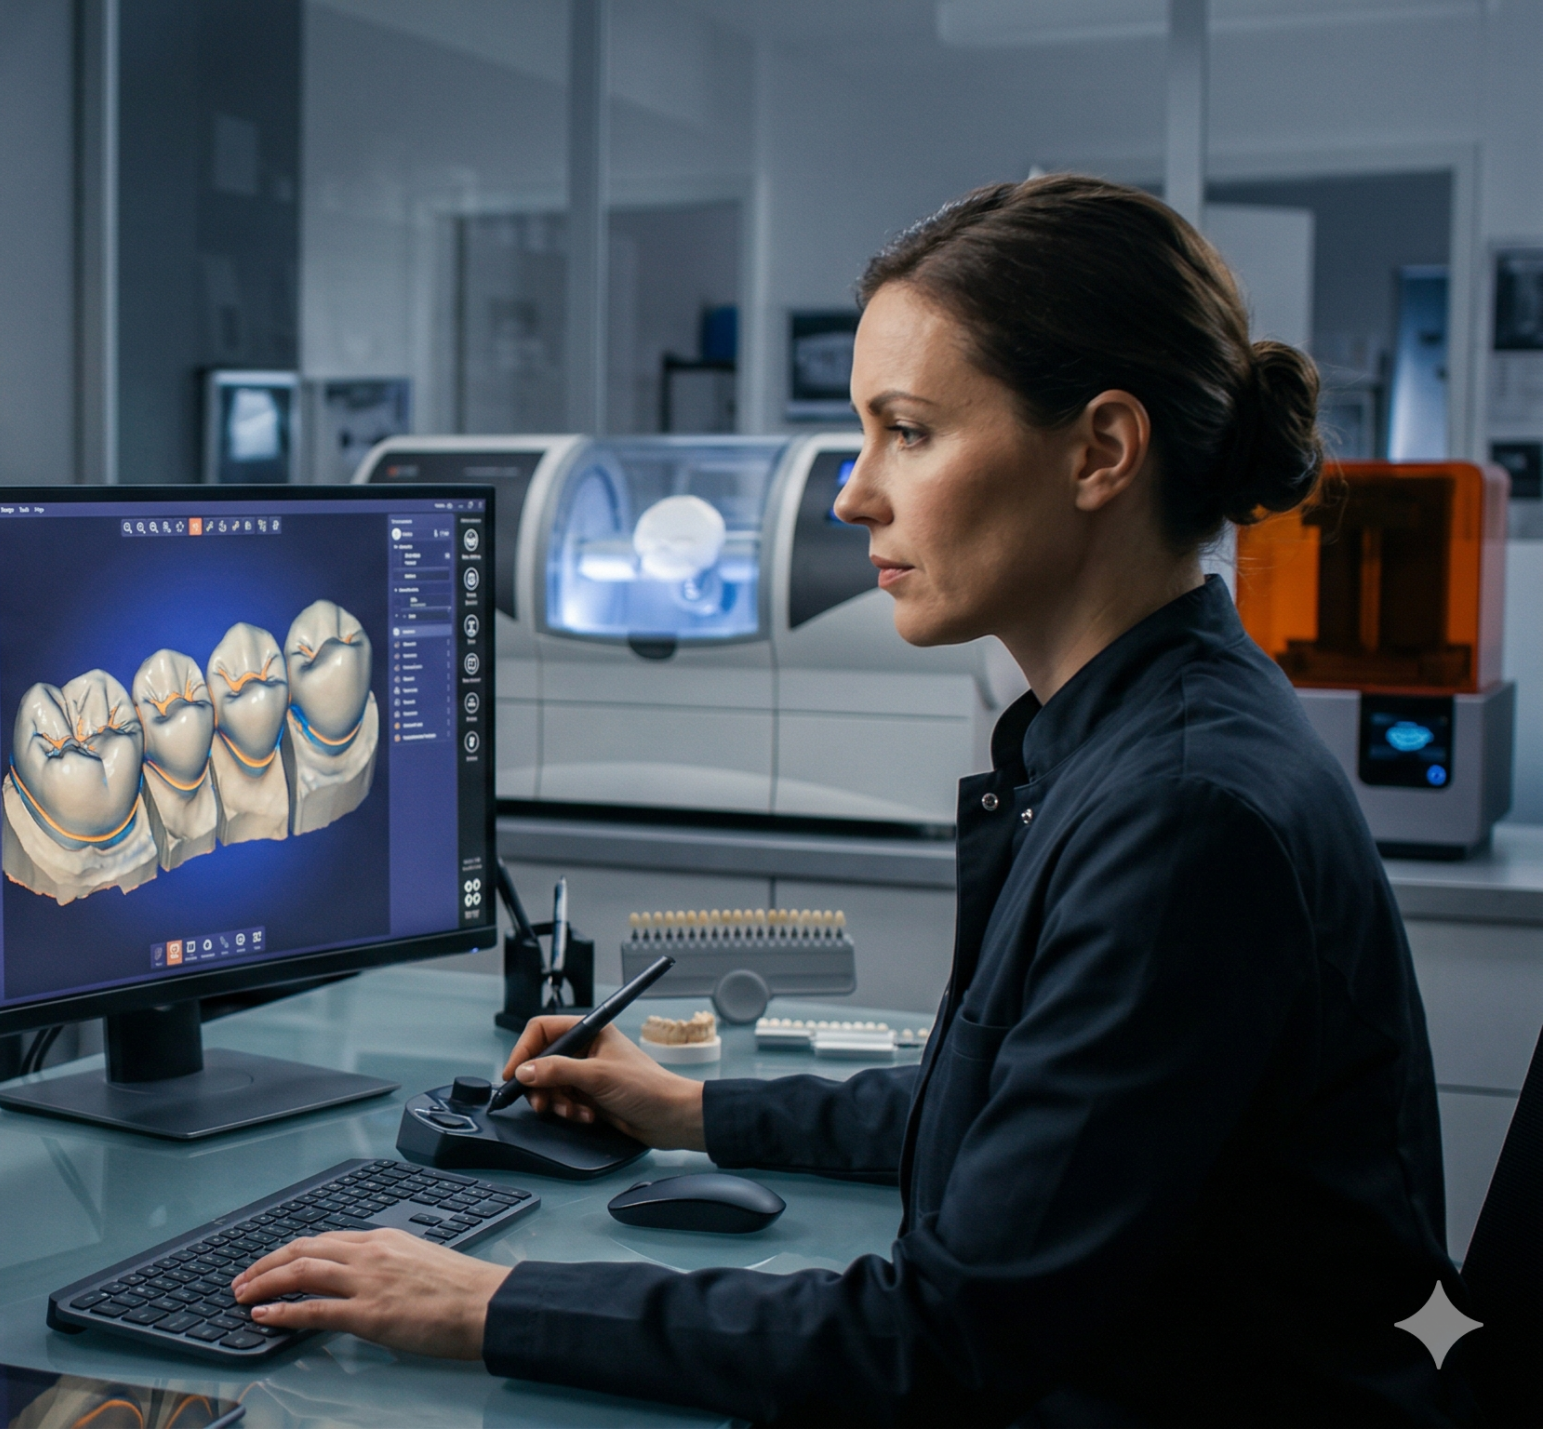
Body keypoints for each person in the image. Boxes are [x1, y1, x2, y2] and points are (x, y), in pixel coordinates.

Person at [228, 174, 1462, 1423]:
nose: (850, 492)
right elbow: (1029, 1122)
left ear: (1099, 450)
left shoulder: (1183, 815)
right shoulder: (1138, 734)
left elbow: (942, 1341)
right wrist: (692, 1108)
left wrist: (486, 1305)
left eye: (908, 431)